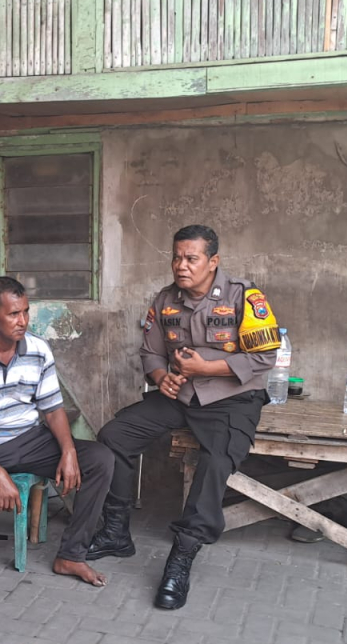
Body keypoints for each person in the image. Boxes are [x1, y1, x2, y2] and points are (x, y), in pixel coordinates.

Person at [87, 224, 280, 610]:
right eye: (176, 257)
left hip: (232, 399)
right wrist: (162, 378)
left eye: (191, 258)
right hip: (181, 395)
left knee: (215, 462)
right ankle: (116, 532)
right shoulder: (165, 300)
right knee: (114, 436)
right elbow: (151, 352)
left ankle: (182, 556)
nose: (181, 265)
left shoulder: (245, 297)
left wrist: (206, 369)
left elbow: (264, 357)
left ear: (213, 261)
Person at [0, 277, 115, 601]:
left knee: (100, 459)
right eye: (13, 314)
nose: (23, 321)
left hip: (30, 439)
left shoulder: (37, 350)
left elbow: (52, 409)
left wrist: (68, 451)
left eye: (26, 312)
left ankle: (71, 555)